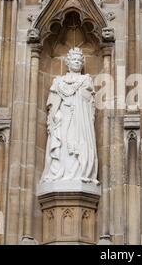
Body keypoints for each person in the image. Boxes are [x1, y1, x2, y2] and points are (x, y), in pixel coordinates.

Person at [41, 48, 98, 184]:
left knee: (79, 145)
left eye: (79, 60)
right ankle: (59, 174)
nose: (77, 62)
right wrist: (56, 116)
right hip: (64, 119)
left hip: (80, 119)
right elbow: (53, 105)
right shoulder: (59, 82)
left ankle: (80, 173)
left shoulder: (86, 80)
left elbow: (90, 103)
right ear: (68, 62)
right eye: (74, 60)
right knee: (63, 145)